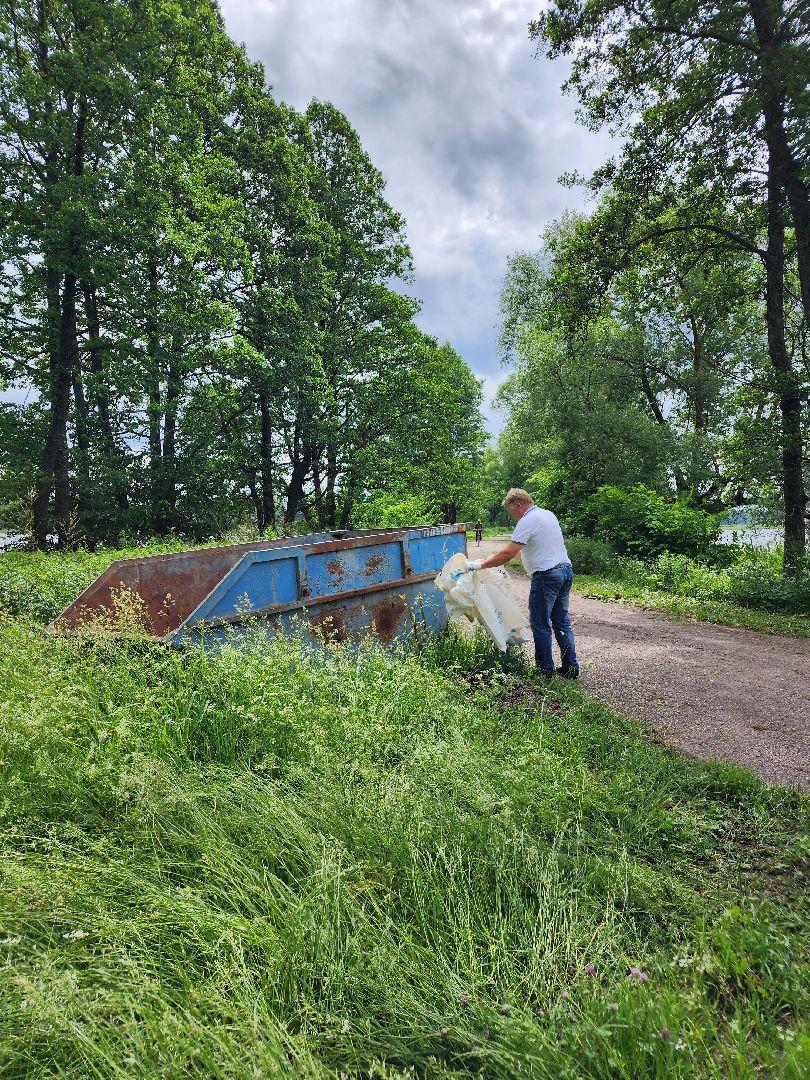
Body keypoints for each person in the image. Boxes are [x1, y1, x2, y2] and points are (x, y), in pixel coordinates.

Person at [467, 488, 579, 680]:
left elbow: (508, 554)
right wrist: (492, 559)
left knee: (540, 623)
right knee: (561, 621)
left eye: (511, 512)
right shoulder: (547, 515)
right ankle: (571, 667)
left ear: (518, 505)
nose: (513, 517)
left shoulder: (527, 521)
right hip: (565, 571)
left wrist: (478, 565)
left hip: (546, 576)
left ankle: (545, 670)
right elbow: (525, 550)